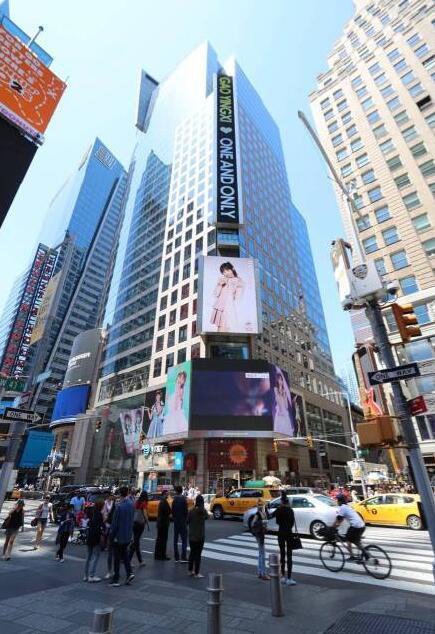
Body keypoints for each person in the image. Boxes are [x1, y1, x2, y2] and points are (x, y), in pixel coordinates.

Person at [110, 486, 134, 587]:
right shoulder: (131, 504)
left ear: (120, 494)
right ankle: (129, 573)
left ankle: (116, 579)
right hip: (127, 535)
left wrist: (112, 536)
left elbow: (115, 524)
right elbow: (132, 520)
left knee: (117, 557)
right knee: (125, 554)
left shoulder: (119, 506)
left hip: (118, 536)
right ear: (127, 493)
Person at [210, 261, 244, 332]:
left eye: (228, 270)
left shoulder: (239, 281)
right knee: (220, 329)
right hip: (220, 307)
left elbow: (238, 297)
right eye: (224, 272)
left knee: (229, 328)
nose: (226, 273)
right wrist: (220, 285)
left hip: (230, 307)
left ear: (232, 269)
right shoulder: (222, 280)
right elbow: (216, 294)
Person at [335, 493, 365, 561]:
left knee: (348, 539)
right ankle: (365, 553)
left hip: (356, 526)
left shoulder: (342, 507)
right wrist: (336, 524)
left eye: (337, 500)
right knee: (356, 541)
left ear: (339, 501)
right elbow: (340, 519)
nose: (337, 502)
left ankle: (352, 556)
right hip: (361, 525)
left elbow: (339, 519)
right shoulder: (347, 506)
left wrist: (334, 527)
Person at [274, 493, 296, 586]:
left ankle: (283, 576)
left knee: (282, 554)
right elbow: (292, 523)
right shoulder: (290, 510)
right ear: (287, 502)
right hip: (289, 533)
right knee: (289, 555)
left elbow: (277, 522)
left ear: (281, 501)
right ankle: (289, 578)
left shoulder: (279, 510)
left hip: (281, 532)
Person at [187, 494, 208, 578]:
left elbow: (187, 521)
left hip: (192, 536)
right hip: (200, 536)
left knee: (192, 553)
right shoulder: (203, 511)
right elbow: (207, 517)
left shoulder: (191, 511)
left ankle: (190, 570)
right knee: (198, 555)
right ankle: (196, 572)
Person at [84, 499, 104, 582]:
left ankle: (86, 576)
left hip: (90, 535)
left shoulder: (91, 512)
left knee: (88, 556)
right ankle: (91, 576)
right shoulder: (99, 514)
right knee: (96, 556)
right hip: (96, 536)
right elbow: (101, 526)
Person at [250, 501, 270, 581]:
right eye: (259, 505)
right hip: (259, 535)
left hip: (260, 534)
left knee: (261, 554)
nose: (261, 506)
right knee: (262, 554)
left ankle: (260, 572)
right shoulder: (258, 514)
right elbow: (253, 524)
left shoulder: (263, 513)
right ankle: (263, 574)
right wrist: (262, 522)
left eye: (262, 505)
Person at [164, 370, 188, 435]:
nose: (180, 379)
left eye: (182, 378)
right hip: (174, 412)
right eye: (179, 377)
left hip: (175, 412)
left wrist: (175, 409)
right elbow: (178, 401)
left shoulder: (180, 388)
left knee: (174, 429)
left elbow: (178, 401)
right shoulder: (178, 388)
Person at [129, 491, 149, 566]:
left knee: (136, 542)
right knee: (136, 543)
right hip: (140, 523)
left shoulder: (137, 501)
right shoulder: (144, 503)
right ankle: (128, 560)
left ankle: (140, 561)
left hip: (134, 522)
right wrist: (147, 523)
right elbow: (145, 514)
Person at [273, 368, 294, 435]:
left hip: (284, 411)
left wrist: (284, 395)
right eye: (279, 379)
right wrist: (281, 411)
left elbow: (286, 406)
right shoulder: (275, 389)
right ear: (277, 380)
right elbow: (277, 399)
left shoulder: (284, 391)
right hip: (279, 411)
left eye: (281, 379)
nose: (281, 381)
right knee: (278, 430)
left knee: (286, 431)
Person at [172, 485, 188, 563]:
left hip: (176, 521)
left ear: (176, 491)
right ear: (181, 491)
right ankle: (183, 557)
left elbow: (172, 511)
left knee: (175, 540)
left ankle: (176, 557)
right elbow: (186, 511)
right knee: (184, 540)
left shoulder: (174, 500)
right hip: (182, 521)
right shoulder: (183, 499)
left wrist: (175, 518)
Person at [154, 491, 171, 560]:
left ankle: (158, 555)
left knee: (160, 539)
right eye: (167, 494)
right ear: (164, 494)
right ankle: (162, 555)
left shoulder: (162, 501)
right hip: (163, 523)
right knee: (162, 539)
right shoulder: (163, 502)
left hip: (161, 523)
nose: (168, 495)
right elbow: (168, 511)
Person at [102, 493, 116, 579]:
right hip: (107, 522)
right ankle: (110, 571)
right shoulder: (106, 503)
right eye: (111, 496)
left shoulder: (114, 504)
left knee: (114, 553)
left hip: (113, 528)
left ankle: (112, 571)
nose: (112, 497)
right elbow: (104, 512)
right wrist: (105, 519)